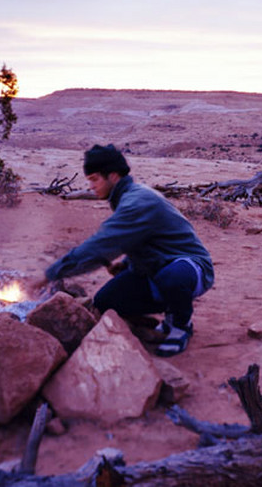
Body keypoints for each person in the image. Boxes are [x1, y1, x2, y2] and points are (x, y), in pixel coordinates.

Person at [44, 144, 214, 356]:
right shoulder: (124, 198)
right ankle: (157, 316)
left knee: (172, 278)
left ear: (113, 176)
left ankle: (180, 325)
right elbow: (146, 241)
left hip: (192, 267)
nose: (90, 186)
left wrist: (52, 273)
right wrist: (125, 264)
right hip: (156, 267)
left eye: (95, 179)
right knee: (106, 302)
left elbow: (101, 245)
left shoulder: (137, 201)